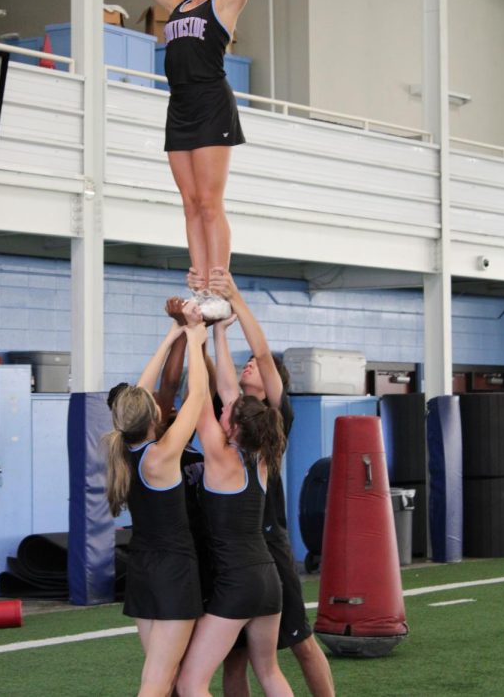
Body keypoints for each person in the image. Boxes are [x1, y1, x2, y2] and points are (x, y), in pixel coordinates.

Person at [87, 0, 308, 317]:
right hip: (179, 107)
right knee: (189, 204)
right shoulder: (175, 4)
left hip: (210, 104)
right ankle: (200, 284)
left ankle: (218, 289)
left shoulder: (223, 6)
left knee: (210, 202)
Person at [208, 268, 336, 697]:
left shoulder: (276, 420)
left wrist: (237, 298)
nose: (251, 365)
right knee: (236, 658)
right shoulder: (235, 413)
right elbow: (224, 380)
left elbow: (262, 354)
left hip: (268, 543)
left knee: (300, 643)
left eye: (258, 368)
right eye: (247, 364)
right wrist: (218, 331)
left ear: (273, 384)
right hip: (235, 550)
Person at [175, 315, 292, 697]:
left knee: (191, 683)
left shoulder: (220, 456)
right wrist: (221, 333)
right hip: (268, 580)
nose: (224, 409)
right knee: (270, 673)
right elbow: (227, 391)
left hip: (238, 583)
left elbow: (199, 397)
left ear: (233, 427)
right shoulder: (262, 454)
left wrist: (196, 339)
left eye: (227, 412)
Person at [105, 302, 209, 697]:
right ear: (153, 418)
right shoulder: (161, 457)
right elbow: (197, 395)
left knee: (168, 679)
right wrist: (196, 339)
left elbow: (136, 396)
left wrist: (172, 334)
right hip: (172, 574)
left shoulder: (121, 450)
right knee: (157, 683)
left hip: (145, 570)